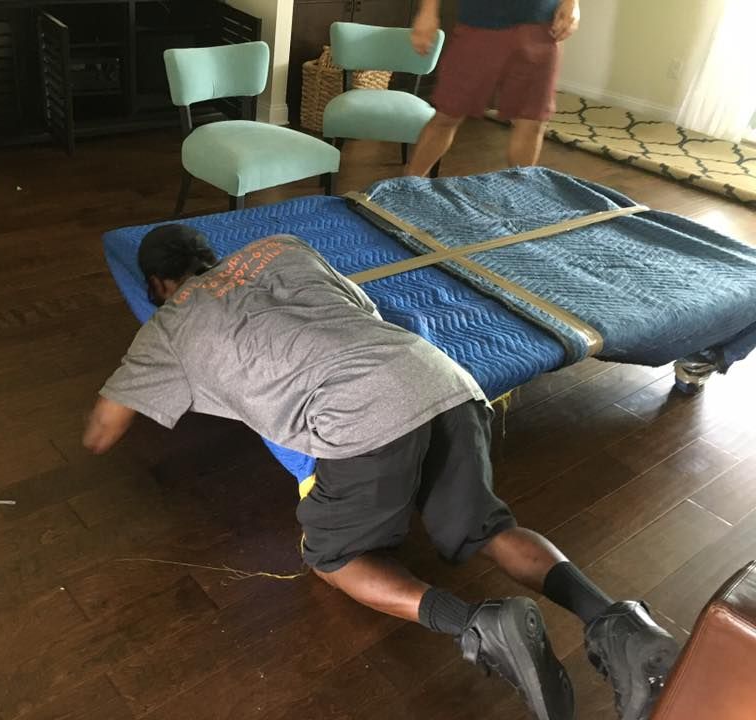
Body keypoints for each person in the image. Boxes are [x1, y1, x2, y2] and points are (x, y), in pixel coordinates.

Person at [83, 224, 678, 720]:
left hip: (359, 416)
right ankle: (616, 622)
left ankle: (479, 624)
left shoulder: (165, 328)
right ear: (209, 253)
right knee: (489, 526)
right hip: (441, 378)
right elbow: (359, 308)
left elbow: (103, 433)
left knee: (333, 559)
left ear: (159, 285)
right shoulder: (282, 247)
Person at [406, 0, 580, 175]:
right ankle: (407, 185)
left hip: (544, 26)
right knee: (447, 115)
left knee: (533, 121)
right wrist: (427, 12)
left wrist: (572, 3)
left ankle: (520, 192)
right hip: (479, 24)